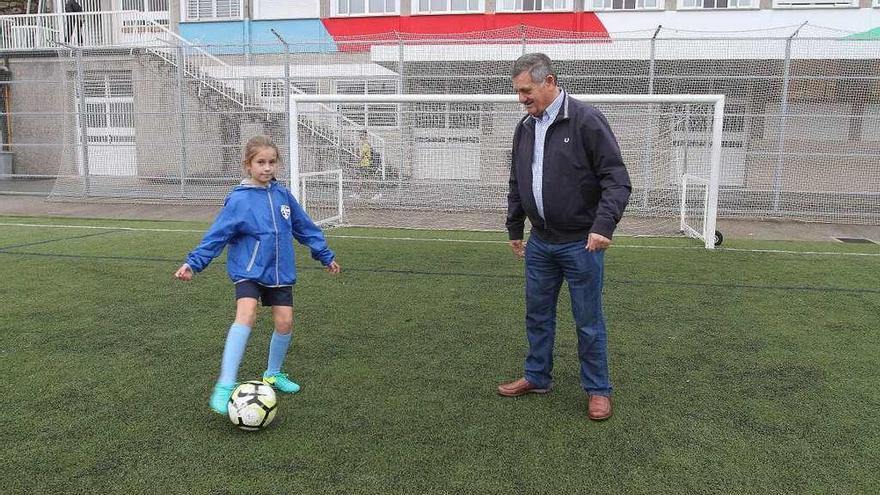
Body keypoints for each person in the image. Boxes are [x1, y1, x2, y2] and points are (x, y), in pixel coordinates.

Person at [498, 53, 632, 421]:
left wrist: (603, 225)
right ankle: (537, 376)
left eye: (526, 90)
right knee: (537, 315)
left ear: (549, 82)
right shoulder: (525, 127)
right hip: (540, 243)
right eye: (518, 92)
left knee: (588, 320)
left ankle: (598, 389)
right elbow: (517, 180)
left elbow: (617, 180)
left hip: (581, 243)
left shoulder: (587, 119)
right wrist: (515, 227)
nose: (521, 99)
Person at [174, 135, 341, 415]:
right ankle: (225, 384)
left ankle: (273, 374)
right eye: (260, 162)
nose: (267, 168)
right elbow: (217, 236)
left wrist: (324, 254)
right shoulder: (239, 200)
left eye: (272, 162)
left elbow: (304, 227)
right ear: (248, 165)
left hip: (280, 272)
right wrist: (193, 263)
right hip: (249, 271)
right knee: (246, 315)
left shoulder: (283, 195)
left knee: (285, 322)